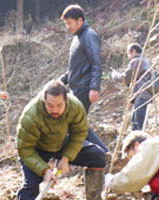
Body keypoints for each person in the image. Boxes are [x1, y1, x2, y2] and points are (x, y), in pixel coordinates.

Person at [16, 80, 107, 200]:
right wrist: (45, 170)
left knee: (97, 156)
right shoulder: (31, 115)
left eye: (59, 106)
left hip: (61, 143)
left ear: (66, 101)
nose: (54, 110)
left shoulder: (75, 106)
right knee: (31, 188)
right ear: (44, 100)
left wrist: (66, 157)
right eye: (50, 105)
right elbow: (25, 149)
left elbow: (79, 133)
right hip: (36, 149)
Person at [58, 4, 109, 152]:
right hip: (76, 89)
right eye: (66, 23)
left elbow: (96, 63)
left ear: (79, 20)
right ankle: (97, 155)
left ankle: (103, 153)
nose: (68, 26)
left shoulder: (89, 35)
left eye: (69, 23)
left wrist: (94, 87)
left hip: (85, 89)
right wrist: (61, 80)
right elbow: (75, 69)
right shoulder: (78, 38)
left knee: (76, 124)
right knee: (76, 124)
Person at [111, 43, 157, 131]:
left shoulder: (136, 61)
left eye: (129, 53)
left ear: (134, 51)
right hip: (147, 95)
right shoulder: (146, 61)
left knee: (137, 126)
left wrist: (115, 75)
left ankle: (139, 143)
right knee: (141, 124)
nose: (129, 57)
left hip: (141, 95)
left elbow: (124, 78)